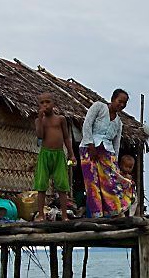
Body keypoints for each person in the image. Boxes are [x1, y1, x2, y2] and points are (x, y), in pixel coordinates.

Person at [80, 89, 134, 217]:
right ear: (113, 98)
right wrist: (91, 146)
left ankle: (115, 211)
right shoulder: (99, 107)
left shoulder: (118, 123)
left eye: (124, 103)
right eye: (120, 101)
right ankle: (97, 216)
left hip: (107, 153)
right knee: (92, 184)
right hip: (88, 149)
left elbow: (116, 143)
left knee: (111, 183)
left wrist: (114, 160)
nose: (121, 105)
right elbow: (87, 125)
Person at [34, 92, 76, 221]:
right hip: (45, 154)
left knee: (62, 185)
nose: (45, 105)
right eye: (42, 103)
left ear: (54, 103)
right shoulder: (39, 120)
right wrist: (40, 119)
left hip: (59, 154)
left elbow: (66, 137)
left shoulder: (60, 119)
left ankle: (64, 215)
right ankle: (41, 214)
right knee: (41, 185)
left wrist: (71, 154)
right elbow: (40, 136)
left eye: (48, 102)